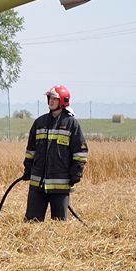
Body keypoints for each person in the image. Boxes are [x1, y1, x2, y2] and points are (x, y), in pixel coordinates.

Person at [23, 84, 89, 221]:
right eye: (49, 98)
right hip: (38, 185)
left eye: (54, 99)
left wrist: (76, 173)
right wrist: (28, 169)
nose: (51, 101)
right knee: (31, 223)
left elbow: (80, 153)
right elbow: (30, 151)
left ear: (63, 101)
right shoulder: (39, 123)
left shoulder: (72, 124)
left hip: (60, 185)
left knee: (59, 226)